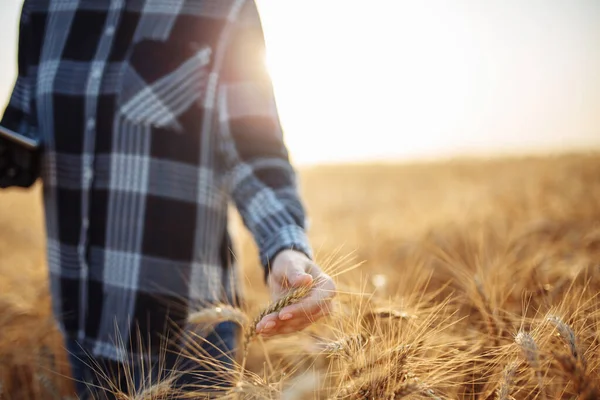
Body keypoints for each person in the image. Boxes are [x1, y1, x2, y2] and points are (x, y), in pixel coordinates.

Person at [0, 0, 335, 398]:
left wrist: (285, 248)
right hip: (78, 333)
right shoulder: (45, 8)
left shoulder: (223, 7)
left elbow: (254, 154)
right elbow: (21, 139)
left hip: (186, 343)